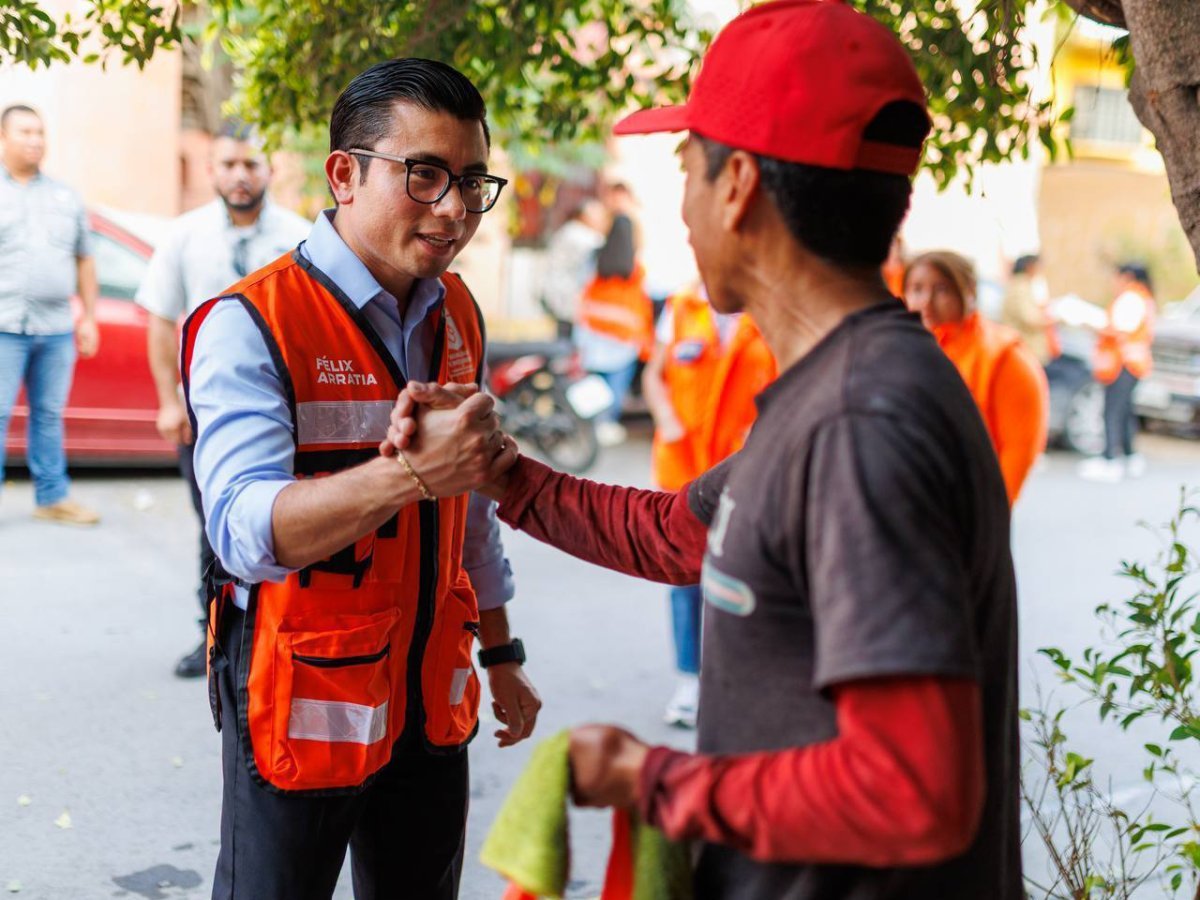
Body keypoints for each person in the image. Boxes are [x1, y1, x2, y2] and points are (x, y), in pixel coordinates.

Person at [392, 2, 1022, 895]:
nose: (681, 207)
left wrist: (653, 782)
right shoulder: (835, 394)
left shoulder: (861, 422)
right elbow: (675, 536)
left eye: (687, 168)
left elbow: (915, 791)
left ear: (738, 188)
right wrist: (496, 470)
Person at [182, 59, 540, 899]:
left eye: (472, 181)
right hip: (300, 708)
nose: (454, 209)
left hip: (430, 705)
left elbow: (469, 516)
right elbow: (243, 532)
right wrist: (411, 473)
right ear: (344, 173)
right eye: (424, 175)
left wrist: (502, 650)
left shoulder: (458, 313)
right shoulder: (252, 322)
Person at [136, 121, 309, 679]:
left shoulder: (302, 237)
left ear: (270, 169)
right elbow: (164, 321)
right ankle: (213, 635)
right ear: (212, 171)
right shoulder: (184, 237)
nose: (240, 176)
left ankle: (282, 630)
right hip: (206, 414)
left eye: (251, 165)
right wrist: (170, 401)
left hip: (289, 411)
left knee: (286, 518)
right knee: (215, 524)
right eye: (229, 165)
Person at [641, 282, 776, 727]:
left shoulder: (768, 307)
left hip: (745, 470)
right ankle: (689, 680)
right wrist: (666, 417)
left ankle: (737, 679)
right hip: (683, 467)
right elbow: (654, 375)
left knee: (743, 574)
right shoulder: (681, 308)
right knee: (683, 573)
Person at [0, 104, 101, 526]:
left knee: (47, 414)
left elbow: (84, 260)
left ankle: (52, 496)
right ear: (4, 138)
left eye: (40, 132)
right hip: (4, 326)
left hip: (57, 327)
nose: (35, 140)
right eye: (25, 132)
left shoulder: (66, 196)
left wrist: (90, 317)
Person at [904, 250, 1049, 504]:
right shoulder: (902, 349)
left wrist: (991, 514)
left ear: (969, 291)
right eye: (916, 289)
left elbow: (1019, 450)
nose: (926, 302)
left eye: (941, 290)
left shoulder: (1004, 357)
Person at [575, 182, 654, 446]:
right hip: (622, 334)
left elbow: (583, 292)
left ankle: (595, 422)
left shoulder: (596, 260)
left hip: (596, 329)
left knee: (598, 379)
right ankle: (606, 422)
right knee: (616, 379)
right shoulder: (636, 267)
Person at [1078, 262, 1156, 483]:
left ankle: (1111, 458)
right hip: (1134, 363)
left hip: (1123, 363)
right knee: (1123, 411)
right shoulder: (1143, 297)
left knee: (1112, 410)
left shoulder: (1131, 298)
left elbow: (1120, 330)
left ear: (1127, 277)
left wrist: (1094, 327)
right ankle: (1129, 456)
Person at [540, 199, 608, 339]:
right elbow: (605, 248)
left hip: (562, 294)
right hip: (566, 295)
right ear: (584, 216)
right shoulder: (579, 234)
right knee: (567, 342)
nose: (602, 221)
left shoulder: (570, 230)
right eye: (599, 216)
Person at [999, 254, 1060, 366]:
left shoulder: (1020, 286)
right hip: (1026, 351)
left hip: (1025, 351)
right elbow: (1030, 320)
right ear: (1030, 267)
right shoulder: (1020, 288)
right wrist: (1057, 319)